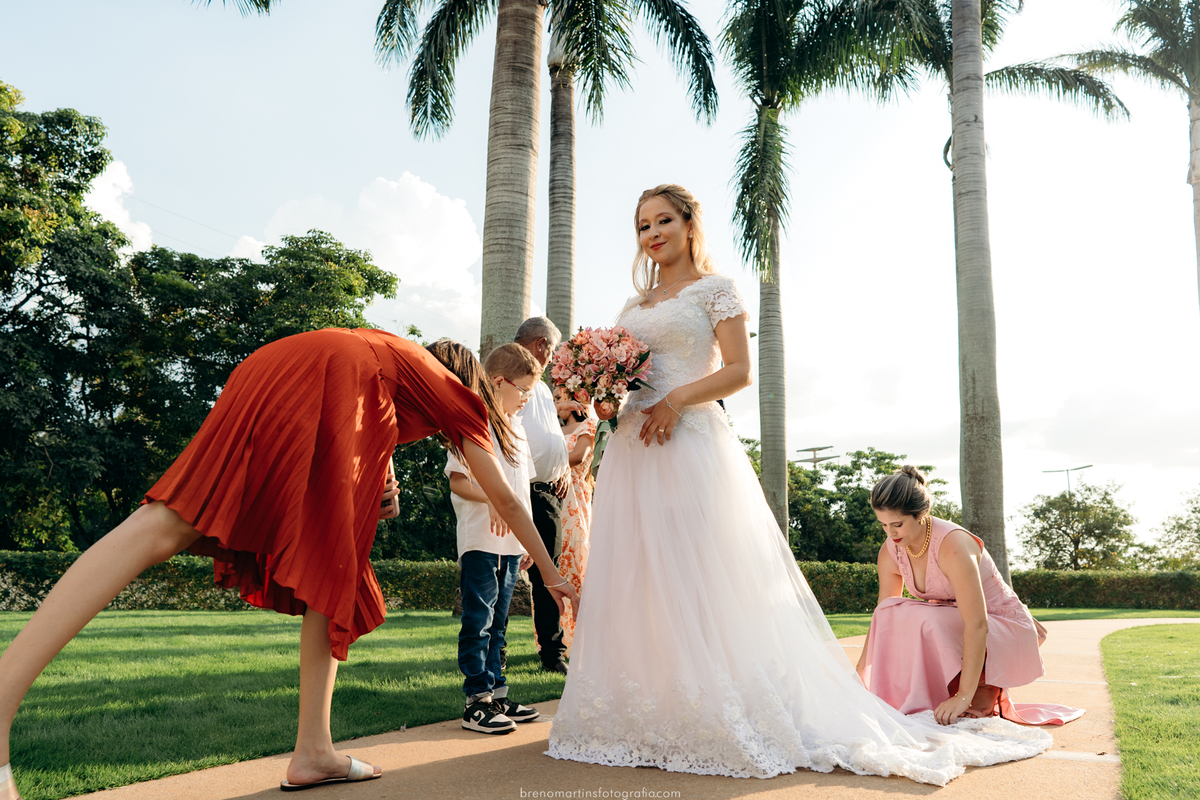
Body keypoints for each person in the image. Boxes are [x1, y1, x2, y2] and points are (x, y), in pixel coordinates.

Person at [546, 185, 1053, 785]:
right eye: (641, 225)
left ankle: (721, 707)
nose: (652, 233)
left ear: (688, 225)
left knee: (703, 573)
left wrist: (677, 401)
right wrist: (600, 399)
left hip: (689, 443)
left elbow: (737, 371)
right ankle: (646, 711)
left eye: (663, 221)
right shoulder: (632, 307)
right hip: (633, 447)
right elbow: (629, 381)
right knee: (641, 576)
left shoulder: (716, 291)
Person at [0, 328, 577, 799]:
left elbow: (377, 413)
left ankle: (314, 751)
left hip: (282, 362)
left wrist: (384, 474)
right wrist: (550, 575)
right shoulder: (463, 399)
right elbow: (504, 494)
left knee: (325, 560)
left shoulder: (402, 360)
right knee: (171, 523)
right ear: (477, 382)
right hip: (329, 377)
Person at [857, 466, 1084, 726]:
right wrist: (859, 674)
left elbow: (977, 623)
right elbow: (882, 617)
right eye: (883, 524)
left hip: (999, 625)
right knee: (893, 612)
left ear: (921, 515)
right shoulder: (891, 550)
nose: (890, 533)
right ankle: (922, 693)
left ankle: (982, 685)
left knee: (924, 618)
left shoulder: (952, 545)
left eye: (897, 524)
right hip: (953, 621)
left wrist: (963, 698)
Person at [446, 343, 544, 734]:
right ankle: (476, 702)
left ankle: (497, 694)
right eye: (523, 391)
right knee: (479, 622)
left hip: (509, 546)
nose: (526, 400)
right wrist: (489, 498)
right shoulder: (476, 422)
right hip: (481, 543)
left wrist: (526, 543)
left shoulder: (517, 428)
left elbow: (521, 491)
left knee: (500, 624)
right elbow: (458, 481)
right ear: (500, 382)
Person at [513, 318, 572, 674]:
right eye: (551, 349)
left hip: (550, 494)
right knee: (504, 574)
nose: (551, 357)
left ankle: (553, 656)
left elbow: (550, 433)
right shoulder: (506, 377)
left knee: (549, 575)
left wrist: (562, 467)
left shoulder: (546, 390)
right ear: (541, 345)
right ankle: (494, 657)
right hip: (519, 493)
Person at [554, 391, 597, 648]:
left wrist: (547, 463)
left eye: (561, 397)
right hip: (551, 496)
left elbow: (579, 456)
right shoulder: (551, 428)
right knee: (552, 564)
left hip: (574, 498)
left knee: (577, 564)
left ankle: (581, 640)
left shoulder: (589, 424)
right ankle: (552, 639)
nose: (557, 402)